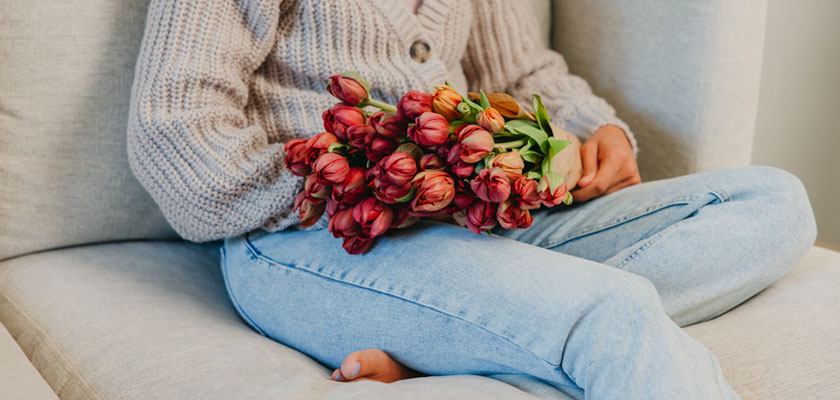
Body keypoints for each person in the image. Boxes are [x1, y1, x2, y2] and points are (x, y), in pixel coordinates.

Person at [126, 0, 817, 398]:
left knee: (772, 202)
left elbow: (518, 71)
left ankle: (459, 338)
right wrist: (364, 181)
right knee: (617, 312)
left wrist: (593, 128)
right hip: (307, 236)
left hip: (487, 220)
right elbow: (174, 132)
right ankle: (510, 325)